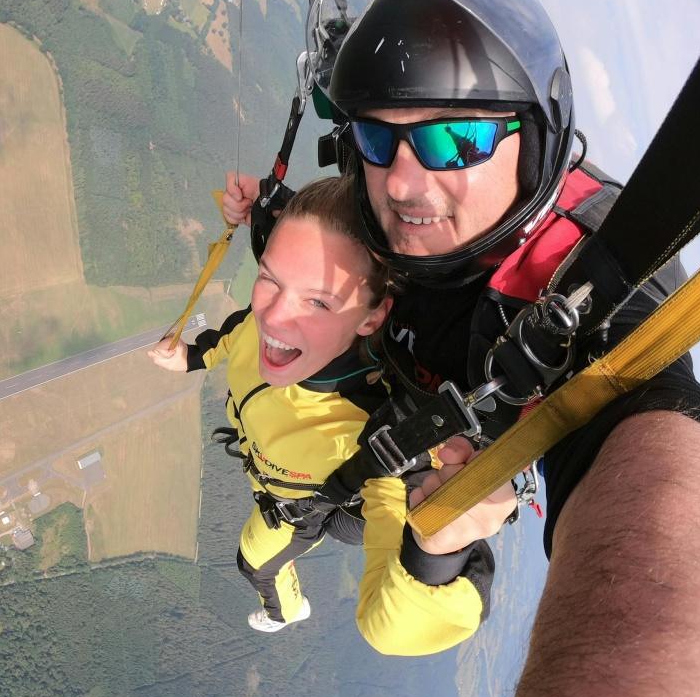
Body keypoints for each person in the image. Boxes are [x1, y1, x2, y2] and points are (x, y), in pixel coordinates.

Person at [222, 0, 700, 697]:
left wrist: (437, 543)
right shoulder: (377, 188)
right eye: (379, 134)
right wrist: (268, 224)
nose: (401, 177)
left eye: (452, 137)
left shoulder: (583, 284)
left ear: (533, 137)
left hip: (399, 482)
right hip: (335, 422)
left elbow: (658, 469)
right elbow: (330, 227)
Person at [150, 176, 507, 652]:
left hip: (305, 510)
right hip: (286, 479)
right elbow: (232, 335)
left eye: (318, 301)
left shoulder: (373, 431)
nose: (274, 317)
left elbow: (396, 625)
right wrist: (192, 356)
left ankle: (286, 611)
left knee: (254, 564)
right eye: (270, 279)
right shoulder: (254, 329)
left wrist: (437, 555)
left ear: (372, 317)